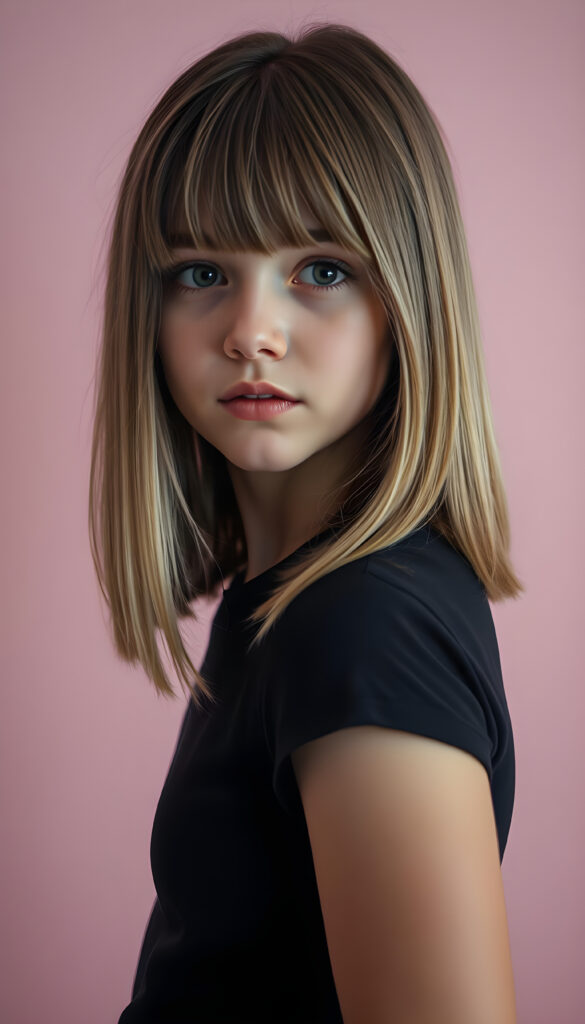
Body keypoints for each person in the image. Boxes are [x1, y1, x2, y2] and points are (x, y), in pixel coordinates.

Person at [89, 21, 523, 1024]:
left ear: (407, 301)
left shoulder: (362, 630)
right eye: (201, 271)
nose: (252, 331)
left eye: (322, 268)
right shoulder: (292, 604)